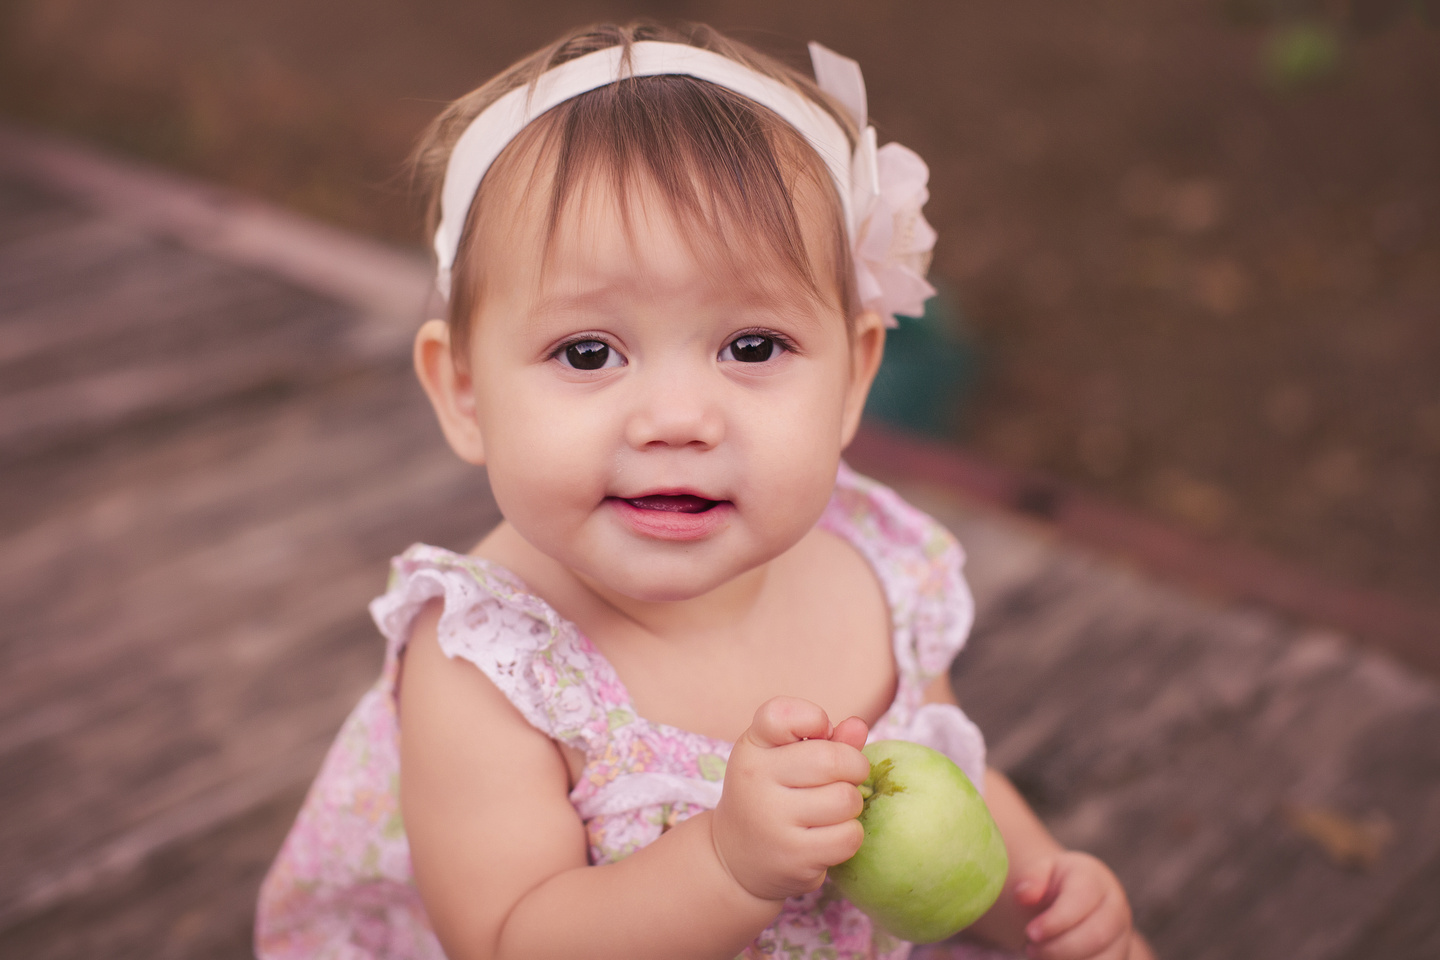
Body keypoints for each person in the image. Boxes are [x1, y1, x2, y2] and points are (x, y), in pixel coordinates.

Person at [256, 21, 1154, 960]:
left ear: (854, 376)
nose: (677, 418)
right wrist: (725, 867)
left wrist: (1043, 899)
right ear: (465, 392)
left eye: (752, 347)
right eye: (589, 352)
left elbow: (952, 778)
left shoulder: (875, 570)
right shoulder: (490, 671)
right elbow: (511, 937)